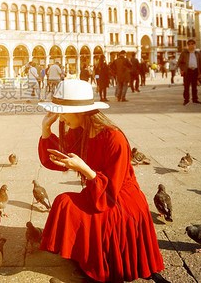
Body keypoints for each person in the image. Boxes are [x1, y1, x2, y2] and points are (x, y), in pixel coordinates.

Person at [37, 79, 165, 283]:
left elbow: (110, 193)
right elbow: (56, 160)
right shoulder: (80, 131)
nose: (60, 118)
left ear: (81, 112)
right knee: (64, 202)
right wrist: (46, 130)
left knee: (87, 214)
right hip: (99, 191)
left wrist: (85, 170)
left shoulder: (114, 138)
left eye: (63, 112)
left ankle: (95, 266)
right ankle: (84, 256)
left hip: (120, 200)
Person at [178, 39, 201, 105]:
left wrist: (200, 73)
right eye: (189, 44)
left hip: (195, 71)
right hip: (187, 71)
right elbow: (179, 62)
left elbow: (200, 63)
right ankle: (186, 100)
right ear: (187, 45)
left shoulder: (198, 53)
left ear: (194, 45)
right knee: (186, 87)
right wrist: (182, 69)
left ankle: (195, 99)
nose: (191, 46)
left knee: (194, 87)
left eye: (192, 44)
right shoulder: (184, 53)